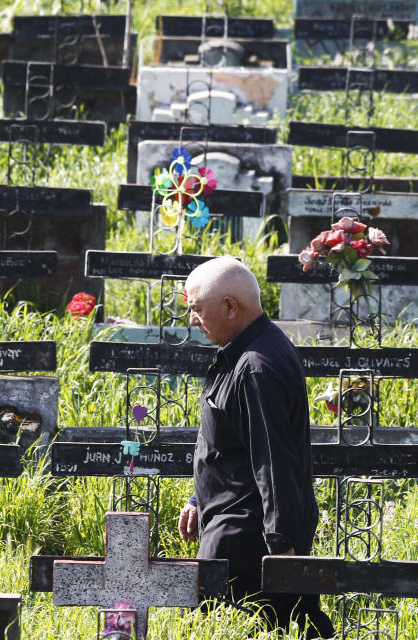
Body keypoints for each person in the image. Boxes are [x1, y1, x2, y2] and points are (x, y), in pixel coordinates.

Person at [178, 257, 334, 639]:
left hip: (246, 542)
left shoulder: (256, 367)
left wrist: (280, 548)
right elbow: (227, 442)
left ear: (231, 307)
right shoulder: (245, 352)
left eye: (197, 310)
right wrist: (199, 499)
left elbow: (274, 460)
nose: (193, 321)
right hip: (229, 523)